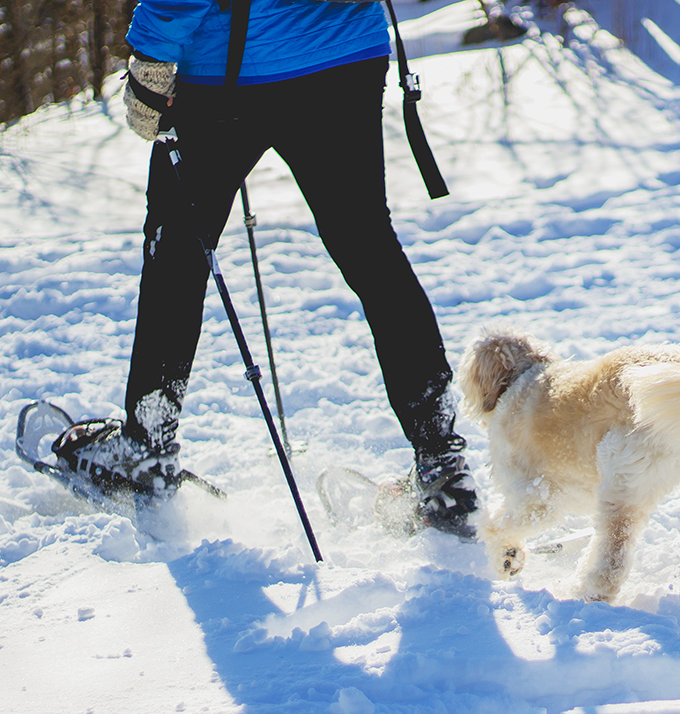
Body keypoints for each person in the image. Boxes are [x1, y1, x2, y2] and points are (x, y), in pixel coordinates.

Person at [52, 0, 478, 537]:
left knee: (178, 255)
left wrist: (152, 56)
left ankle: (146, 447)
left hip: (227, 72)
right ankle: (442, 467)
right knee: (370, 248)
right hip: (346, 54)